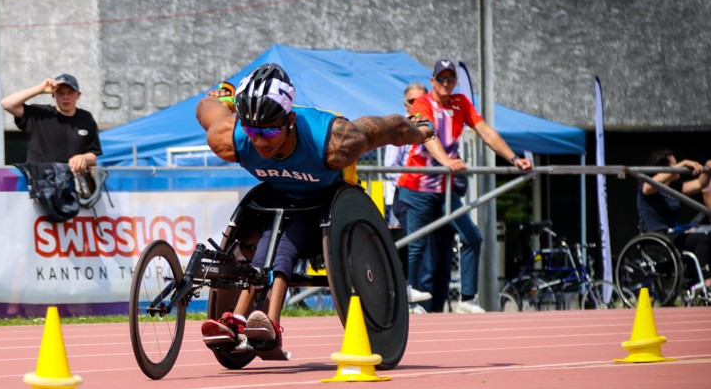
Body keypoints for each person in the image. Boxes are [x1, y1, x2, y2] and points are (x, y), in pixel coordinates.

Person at [196, 63, 435, 351]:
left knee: (285, 238)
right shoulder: (229, 138)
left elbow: (390, 128)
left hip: (327, 199)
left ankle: (271, 322)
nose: (259, 141)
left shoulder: (335, 141)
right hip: (278, 200)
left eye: (270, 132)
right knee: (270, 232)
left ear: (291, 120)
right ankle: (238, 318)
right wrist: (225, 98)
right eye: (251, 130)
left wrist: (421, 132)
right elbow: (206, 109)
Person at [398, 59, 533, 313]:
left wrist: (514, 158)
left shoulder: (461, 103)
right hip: (416, 186)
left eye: (450, 79)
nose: (446, 83)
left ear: (456, 82)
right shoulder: (421, 104)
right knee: (417, 244)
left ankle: (467, 298)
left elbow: (485, 131)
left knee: (472, 237)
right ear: (432, 82)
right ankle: (408, 296)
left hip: (445, 189)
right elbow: (426, 134)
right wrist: (447, 161)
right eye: (441, 79)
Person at [640, 149, 711, 302]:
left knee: (710, 237)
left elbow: (699, 183)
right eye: (674, 165)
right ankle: (707, 286)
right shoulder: (648, 187)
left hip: (674, 234)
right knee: (700, 239)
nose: (680, 169)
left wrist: (708, 167)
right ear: (664, 168)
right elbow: (648, 187)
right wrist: (684, 163)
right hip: (659, 238)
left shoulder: (674, 187)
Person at [384, 82, 433, 314]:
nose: (419, 104)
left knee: (425, 246)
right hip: (405, 194)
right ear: (406, 105)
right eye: (414, 101)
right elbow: (389, 167)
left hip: (428, 193)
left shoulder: (430, 124)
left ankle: (423, 300)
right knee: (409, 246)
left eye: (423, 99)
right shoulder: (401, 127)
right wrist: (406, 184)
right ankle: (408, 300)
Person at [0, 73, 101, 174]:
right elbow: (7, 104)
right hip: (40, 183)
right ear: (53, 95)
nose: (66, 97)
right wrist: (40, 89)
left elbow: (93, 155)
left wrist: (82, 158)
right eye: (61, 93)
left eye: (70, 93)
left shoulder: (86, 118)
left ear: (78, 95)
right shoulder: (39, 114)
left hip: (73, 182)